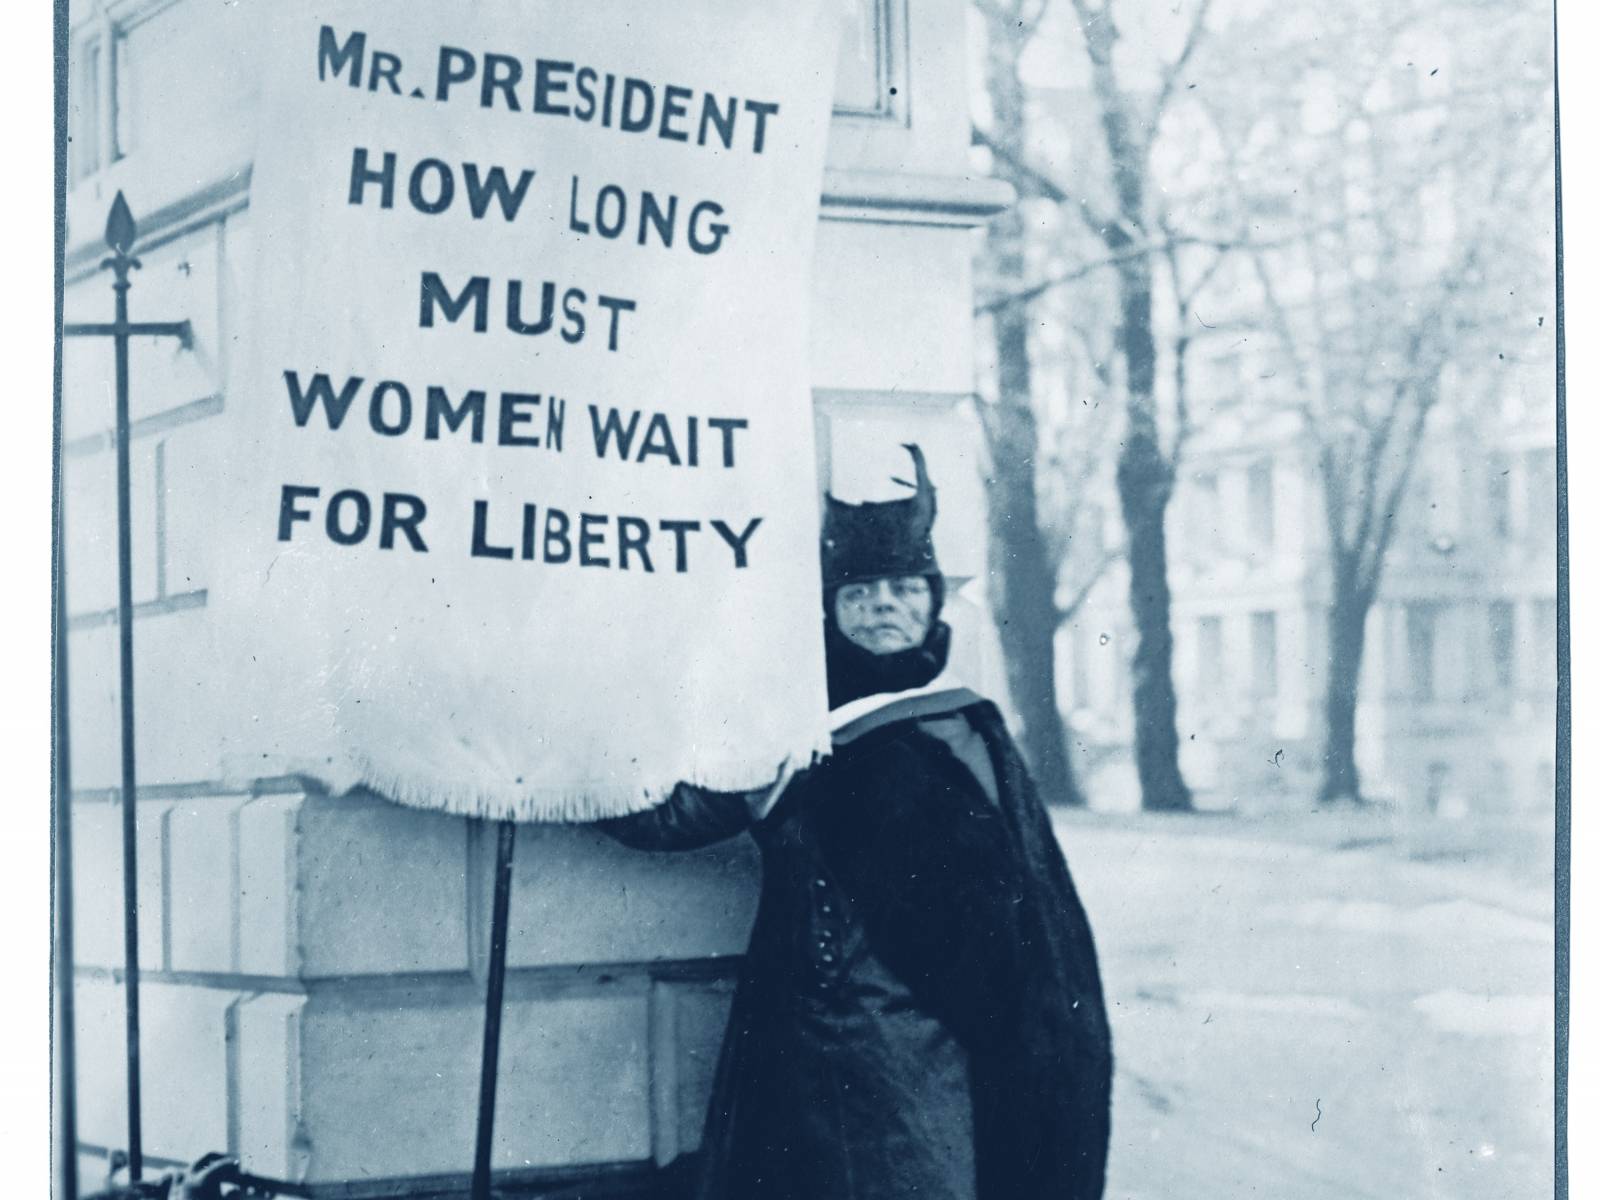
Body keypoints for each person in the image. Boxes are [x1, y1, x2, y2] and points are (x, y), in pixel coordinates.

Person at [600, 445, 1112, 1200]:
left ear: (933, 604)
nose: (883, 606)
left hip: (942, 1056)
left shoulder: (973, 730)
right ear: (831, 612)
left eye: (905, 588)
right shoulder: (791, 734)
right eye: (860, 591)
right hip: (831, 1053)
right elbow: (671, 815)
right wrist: (536, 769)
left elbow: (1036, 922)